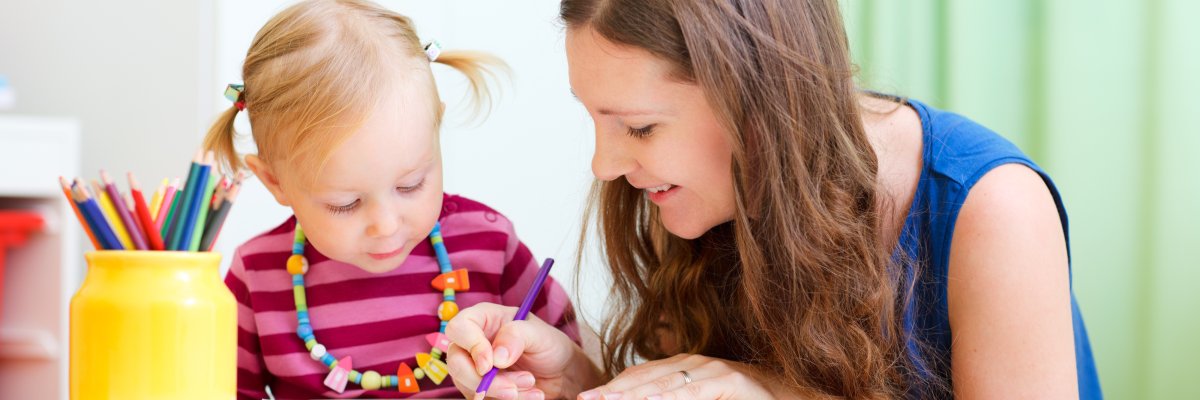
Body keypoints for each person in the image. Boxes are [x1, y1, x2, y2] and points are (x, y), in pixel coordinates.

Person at [445, 0, 1101, 398]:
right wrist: (582, 384)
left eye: (639, 127)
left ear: (758, 100)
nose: (606, 165)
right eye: (596, 120)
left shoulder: (992, 208)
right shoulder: (696, 202)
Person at [204, 1, 579, 398]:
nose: (386, 224)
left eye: (411, 184)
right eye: (345, 203)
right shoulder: (256, 276)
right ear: (275, 181)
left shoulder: (490, 246)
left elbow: (567, 367)